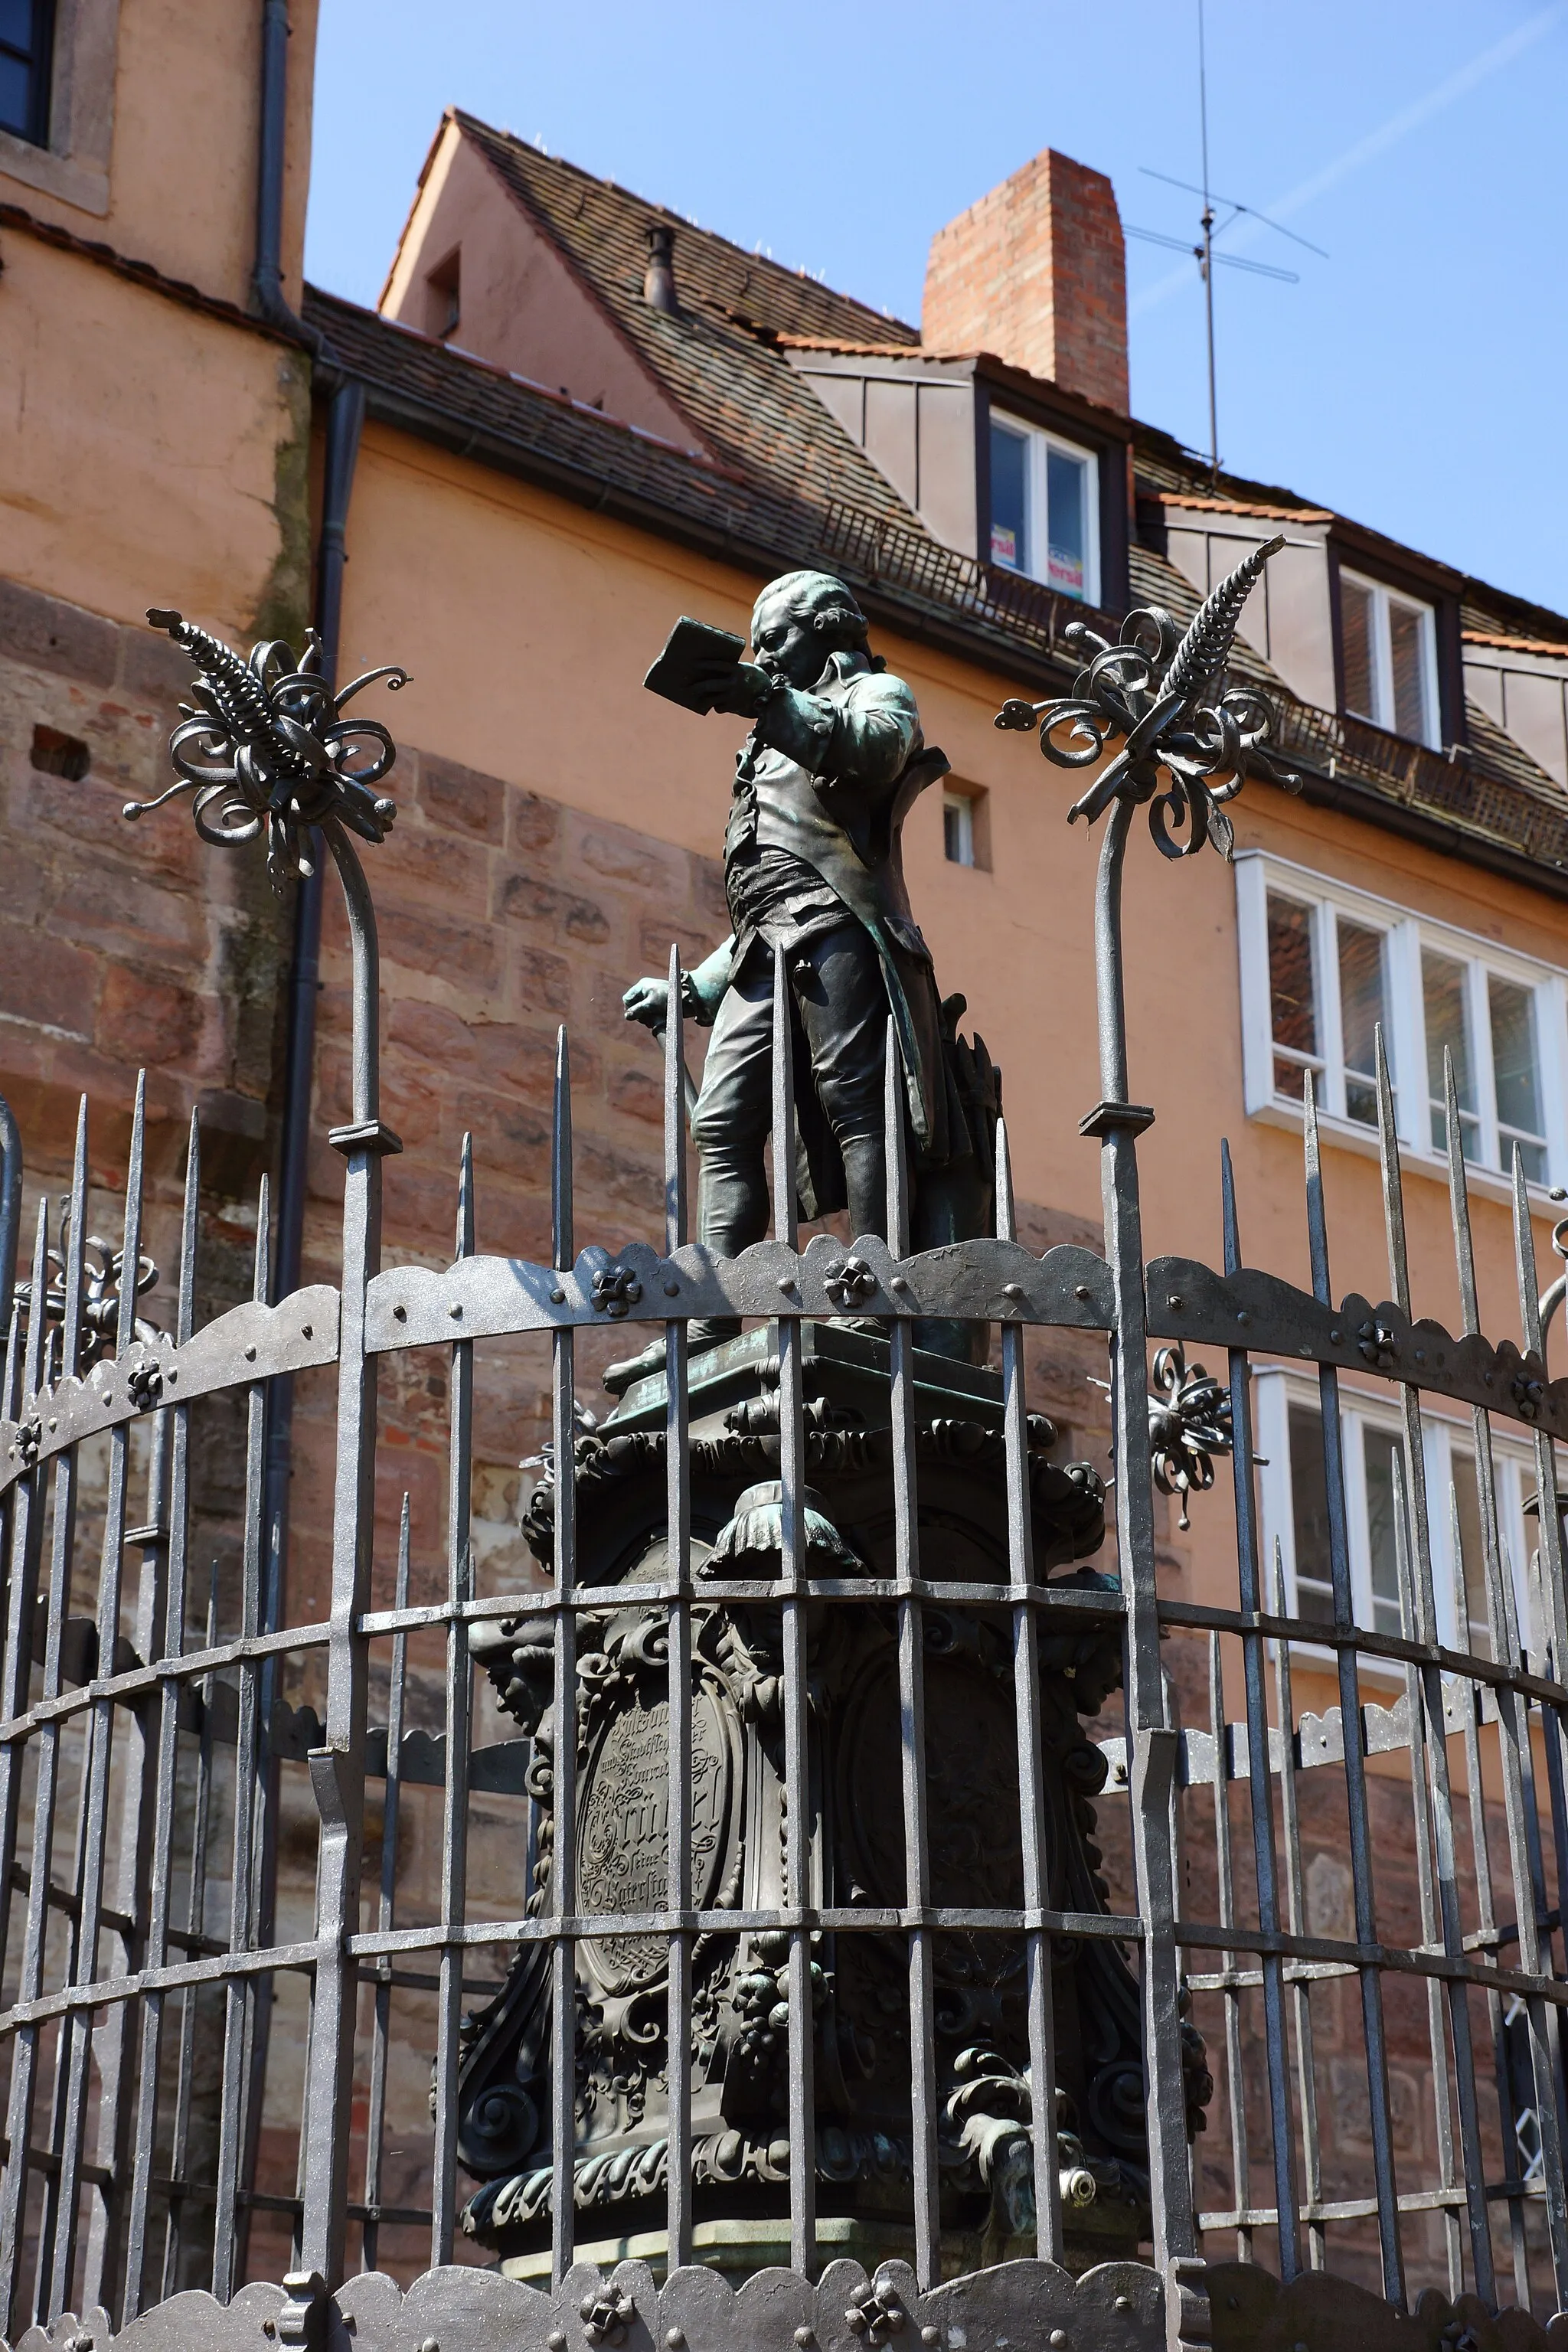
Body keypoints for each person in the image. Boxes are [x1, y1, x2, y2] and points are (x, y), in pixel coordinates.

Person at [609, 570, 986, 1393]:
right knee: (721, 1126)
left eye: (774, 638)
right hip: (763, 949)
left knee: (860, 1106)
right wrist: (697, 986)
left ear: (827, 628)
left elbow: (876, 752)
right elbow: (767, 886)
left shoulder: (877, 691)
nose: (765, 654)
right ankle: (709, 1315)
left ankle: (873, 1285)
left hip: (842, 935)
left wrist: (764, 700)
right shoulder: (769, 733)